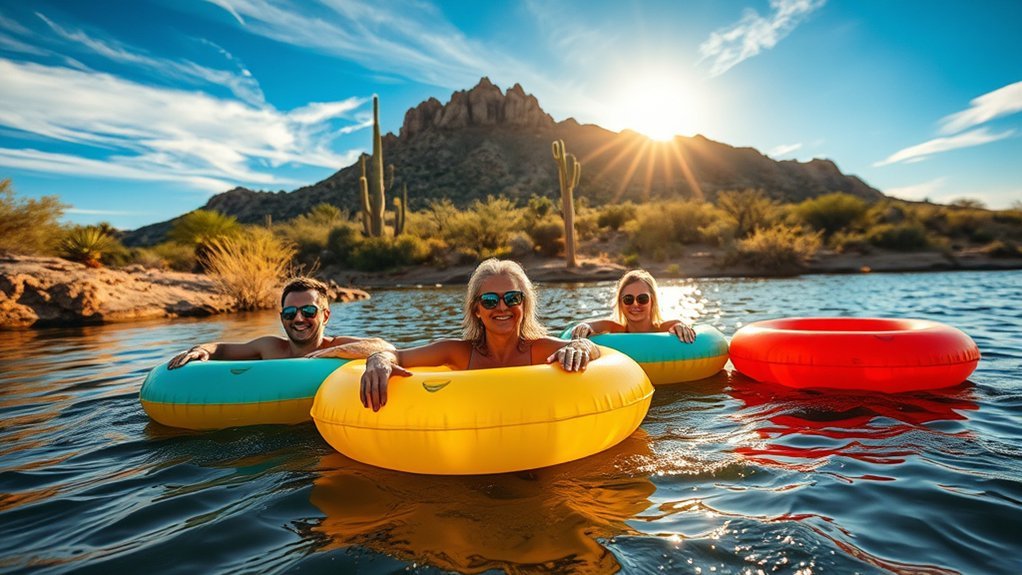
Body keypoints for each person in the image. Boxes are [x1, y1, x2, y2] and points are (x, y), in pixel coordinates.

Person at [359, 258, 600, 411]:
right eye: (490, 300)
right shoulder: (459, 353)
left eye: (513, 298)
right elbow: (397, 355)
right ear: (476, 310)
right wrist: (378, 359)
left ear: (524, 306)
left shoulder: (540, 350)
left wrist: (581, 345)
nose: (502, 307)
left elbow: (596, 351)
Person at [168, 276, 392, 369]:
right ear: (282, 317)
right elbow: (222, 349)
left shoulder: (334, 347)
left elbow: (384, 347)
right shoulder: (270, 348)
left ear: (325, 316)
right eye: (290, 312)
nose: (298, 319)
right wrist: (200, 350)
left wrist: (333, 353)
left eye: (308, 311)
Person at [568, 269, 697, 343]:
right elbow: (592, 326)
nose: (635, 304)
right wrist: (585, 326)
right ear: (620, 303)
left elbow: (676, 325)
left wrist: (681, 326)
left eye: (642, 298)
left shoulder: (663, 329)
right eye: (628, 299)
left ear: (652, 301)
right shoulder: (617, 329)